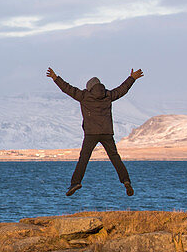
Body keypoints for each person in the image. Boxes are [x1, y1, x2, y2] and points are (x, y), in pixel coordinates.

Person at [46, 66, 144, 196]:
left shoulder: (84, 96)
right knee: (115, 158)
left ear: (89, 87)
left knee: (84, 159)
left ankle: (76, 183)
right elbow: (122, 89)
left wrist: (55, 78)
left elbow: (67, 88)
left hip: (91, 133)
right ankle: (126, 181)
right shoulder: (108, 95)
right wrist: (132, 78)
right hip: (107, 132)